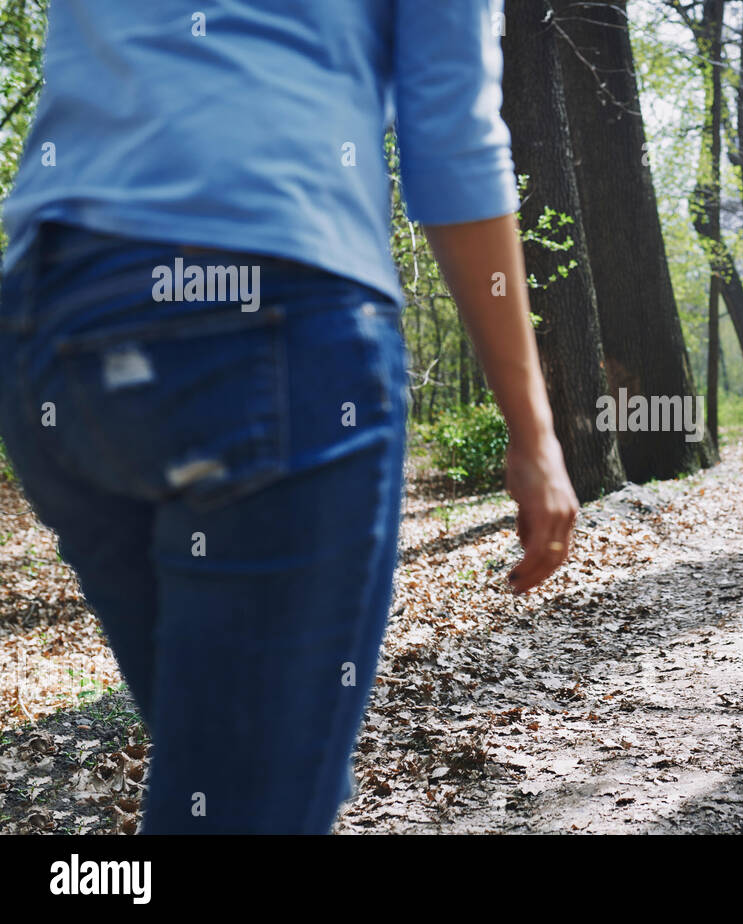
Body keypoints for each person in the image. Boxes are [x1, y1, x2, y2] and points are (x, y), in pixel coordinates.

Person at [0, 0, 579, 834]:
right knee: (250, 797)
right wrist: (533, 434)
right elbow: (452, 138)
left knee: (226, 772)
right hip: (264, 311)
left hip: (54, 324)